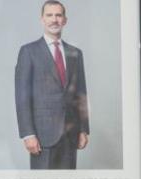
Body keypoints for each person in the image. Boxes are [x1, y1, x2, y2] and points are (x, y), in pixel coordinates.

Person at [15, 1, 89, 170]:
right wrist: (28, 134)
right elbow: (22, 97)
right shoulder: (29, 52)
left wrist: (83, 129)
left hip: (71, 135)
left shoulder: (75, 53)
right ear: (42, 19)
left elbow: (81, 93)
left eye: (58, 15)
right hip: (42, 136)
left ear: (65, 20)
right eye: (49, 15)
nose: (54, 19)